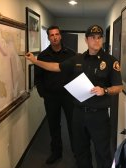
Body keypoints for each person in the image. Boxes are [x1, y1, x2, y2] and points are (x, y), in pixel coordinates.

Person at [26, 24, 123, 168]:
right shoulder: (77, 59)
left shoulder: (110, 61)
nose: (96, 41)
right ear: (86, 40)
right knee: (81, 151)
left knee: (102, 153)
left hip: (99, 116)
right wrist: (35, 61)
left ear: (102, 39)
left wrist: (105, 91)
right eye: (92, 38)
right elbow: (56, 67)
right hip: (78, 113)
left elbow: (119, 87)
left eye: (99, 38)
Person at [35, 25, 76, 164]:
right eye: (51, 35)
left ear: (60, 36)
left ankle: (77, 152)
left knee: (72, 124)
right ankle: (56, 152)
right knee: (53, 125)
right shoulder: (43, 56)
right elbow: (38, 78)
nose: (55, 37)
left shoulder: (71, 54)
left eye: (57, 34)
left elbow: (76, 74)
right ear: (48, 38)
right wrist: (43, 94)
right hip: (51, 97)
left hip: (69, 96)